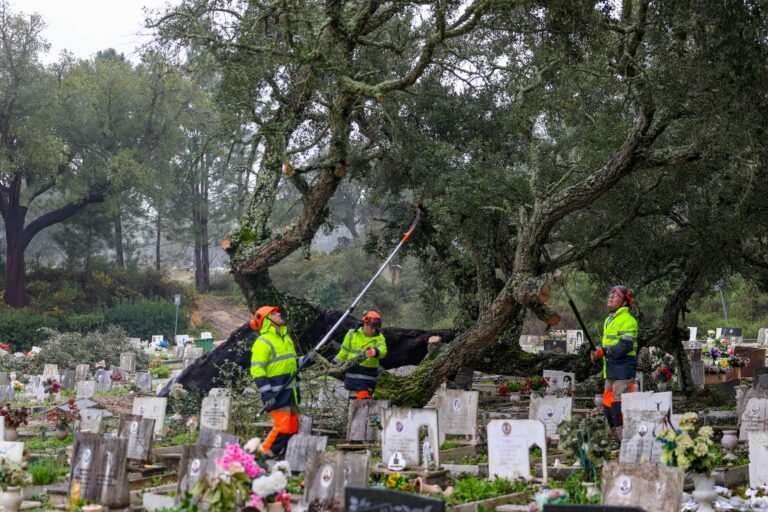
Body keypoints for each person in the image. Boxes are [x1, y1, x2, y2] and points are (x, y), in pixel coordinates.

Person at [249, 306, 299, 458]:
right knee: (282, 427)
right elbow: (257, 370)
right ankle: (262, 458)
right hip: (277, 393)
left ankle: (285, 458)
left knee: (292, 428)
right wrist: (267, 394)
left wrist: (306, 360)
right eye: (274, 313)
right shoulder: (262, 342)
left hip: (291, 392)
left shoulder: (286, 339)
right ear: (267, 321)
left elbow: (292, 364)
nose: (278, 314)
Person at [590, 285, 639, 441]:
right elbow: (606, 342)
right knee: (608, 407)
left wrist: (603, 351)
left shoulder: (628, 321)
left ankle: (625, 442)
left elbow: (624, 346)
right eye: (610, 294)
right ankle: (616, 440)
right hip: (610, 370)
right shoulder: (609, 320)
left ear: (624, 302)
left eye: (615, 295)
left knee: (619, 408)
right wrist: (596, 350)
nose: (610, 297)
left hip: (624, 371)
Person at [334, 311, 388, 399]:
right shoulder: (352, 334)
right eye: (372, 327)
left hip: (369, 373)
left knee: (367, 398)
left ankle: (360, 410)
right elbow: (344, 351)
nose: (374, 330)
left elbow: (383, 351)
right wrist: (334, 363)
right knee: (363, 396)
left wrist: (376, 352)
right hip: (353, 371)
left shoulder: (379, 337)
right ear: (365, 324)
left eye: (376, 328)